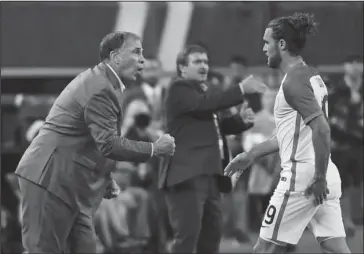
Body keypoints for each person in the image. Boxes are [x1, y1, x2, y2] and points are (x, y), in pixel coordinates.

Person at [14, 31, 175, 254]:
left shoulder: (105, 83)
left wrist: (106, 176)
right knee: (44, 249)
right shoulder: (100, 88)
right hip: (49, 179)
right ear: (116, 57)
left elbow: (89, 137)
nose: (142, 60)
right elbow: (108, 143)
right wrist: (154, 148)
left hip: (69, 181)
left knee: (85, 247)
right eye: (136, 52)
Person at [224, 13, 351, 253]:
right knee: (337, 248)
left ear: (281, 44)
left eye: (266, 42)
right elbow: (291, 134)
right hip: (323, 173)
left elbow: (321, 128)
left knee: (264, 249)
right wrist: (251, 155)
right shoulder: (310, 74)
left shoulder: (293, 82)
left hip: (303, 178)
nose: (263, 48)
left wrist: (318, 177)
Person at [160, 44, 267, 253]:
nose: (204, 66)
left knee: (211, 238)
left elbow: (218, 126)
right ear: (182, 68)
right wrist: (240, 89)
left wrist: (241, 121)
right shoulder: (178, 88)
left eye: (206, 62)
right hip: (187, 174)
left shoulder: (205, 93)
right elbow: (206, 105)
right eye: (197, 61)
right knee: (187, 237)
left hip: (211, 174)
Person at [329, 55, 363, 237]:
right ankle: (347, 221)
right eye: (352, 63)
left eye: (359, 63)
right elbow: (332, 117)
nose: (356, 67)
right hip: (342, 144)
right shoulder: (336, 90)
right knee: (345, 183)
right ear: (345, 67)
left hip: (360, 142)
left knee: (358, 182)